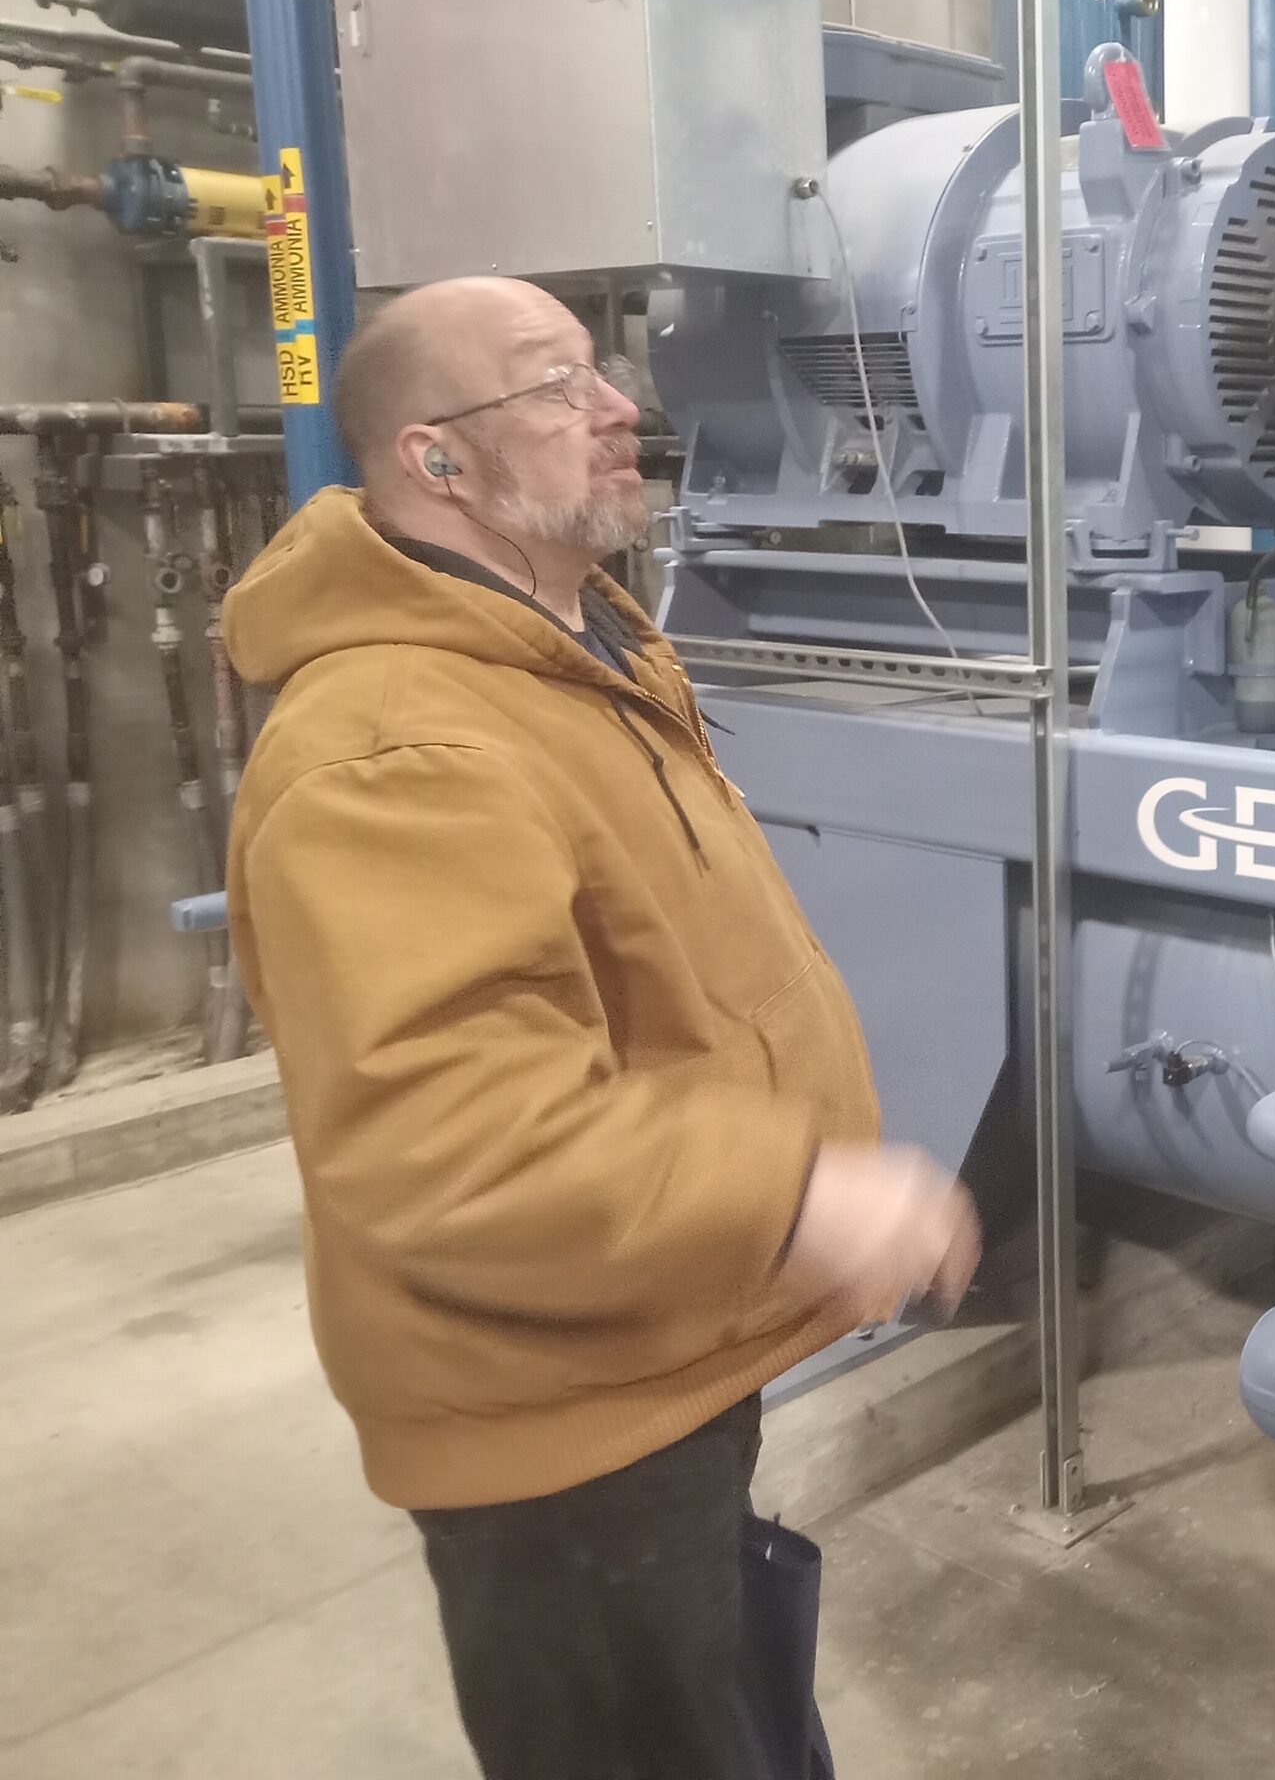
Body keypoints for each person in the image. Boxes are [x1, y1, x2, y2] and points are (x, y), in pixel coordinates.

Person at [223, 275, 980, 1779]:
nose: (621, 405)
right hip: (559, 1436)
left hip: (656, 1349)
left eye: (602, 369)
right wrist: (800, 1195)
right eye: (556, 385)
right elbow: (456, 1145)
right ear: (439, 459)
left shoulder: (571, 652)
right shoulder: (399, 744)